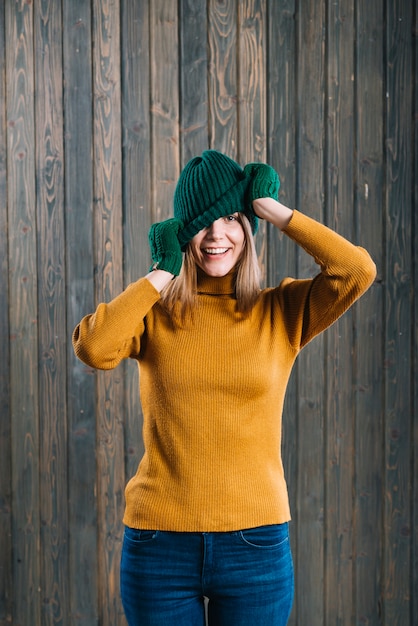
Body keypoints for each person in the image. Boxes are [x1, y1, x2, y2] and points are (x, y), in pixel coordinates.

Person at [72, 150, 376, 626]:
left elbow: (355, 272)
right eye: (203, 223)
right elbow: (93, 347)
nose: (217, 235)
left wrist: (272, 210)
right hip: (159, 546)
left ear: (248, 228)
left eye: (232, 219)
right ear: (181, 232)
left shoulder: (281, 310)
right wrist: (161, 272)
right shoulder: (153, 314)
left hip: (255, 545)